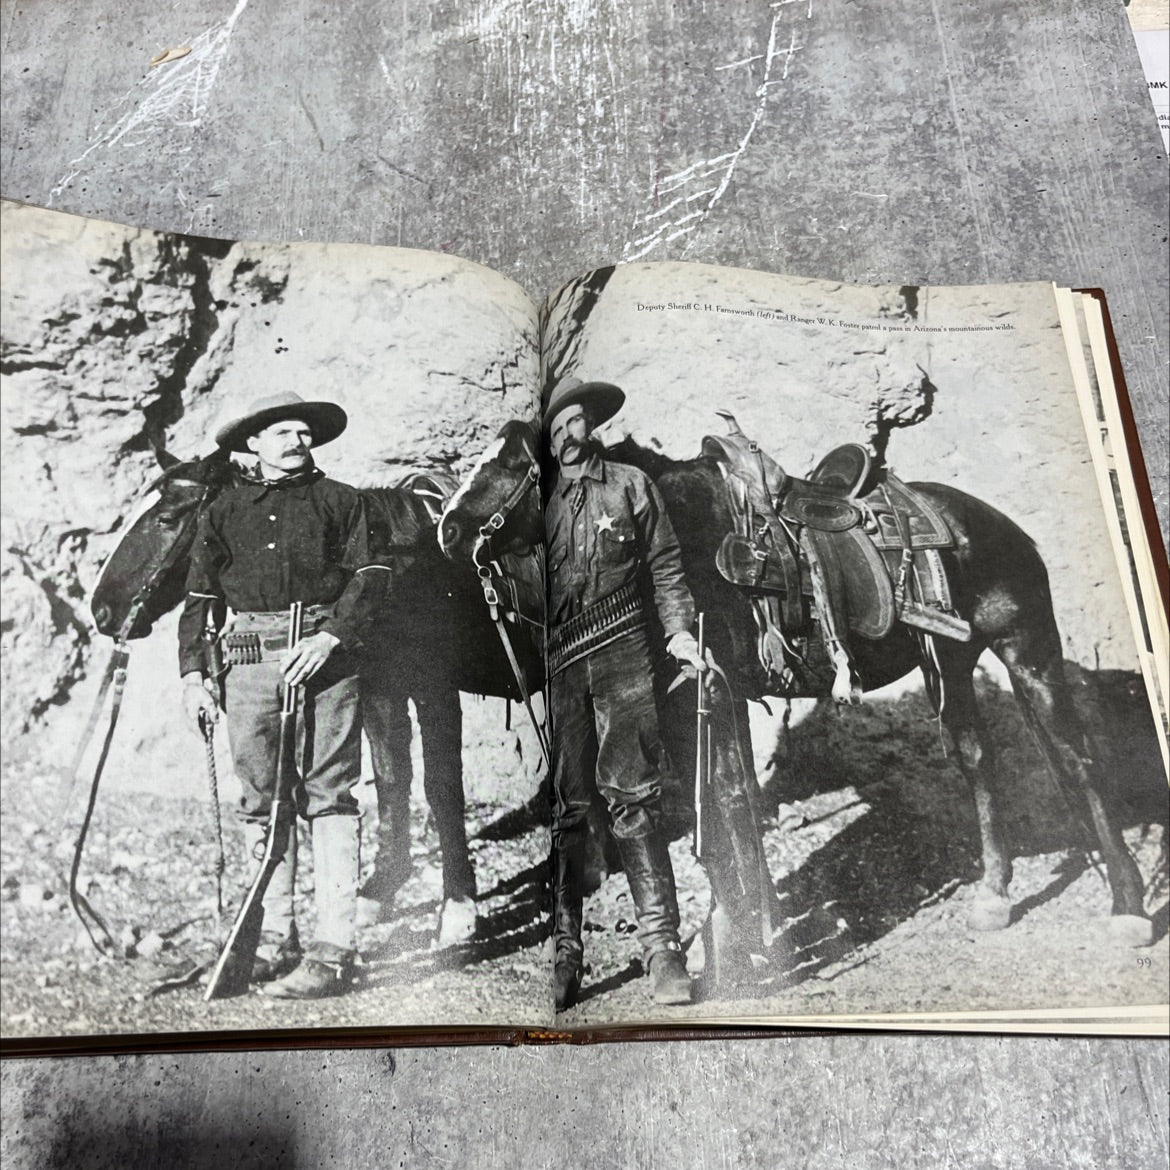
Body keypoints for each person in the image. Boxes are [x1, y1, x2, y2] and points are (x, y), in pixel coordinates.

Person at [179, 391, 387, 999]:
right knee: (262, 798)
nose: (297, 441)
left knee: (330, 792)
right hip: (247, 663)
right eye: (281, 434)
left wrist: (331, 638)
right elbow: (199, 599)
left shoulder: (342, 501)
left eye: (303, 433)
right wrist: (194, 675)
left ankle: (334, 949)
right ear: (252, 446)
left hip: (326, 659)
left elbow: (372, 576)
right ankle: (274, 938)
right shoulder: (222, 510)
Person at [544, 377, 708, 1011]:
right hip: (560, 661)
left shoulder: (632, 483)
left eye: (575, 421)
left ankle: (662, 949)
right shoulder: (538, 502)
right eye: (554, 426)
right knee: (568, 806)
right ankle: (565, 951)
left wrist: (681, 634)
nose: (566, 434)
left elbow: (666, 566)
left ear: (594, 427)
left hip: (623, 651)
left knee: (634, 796)